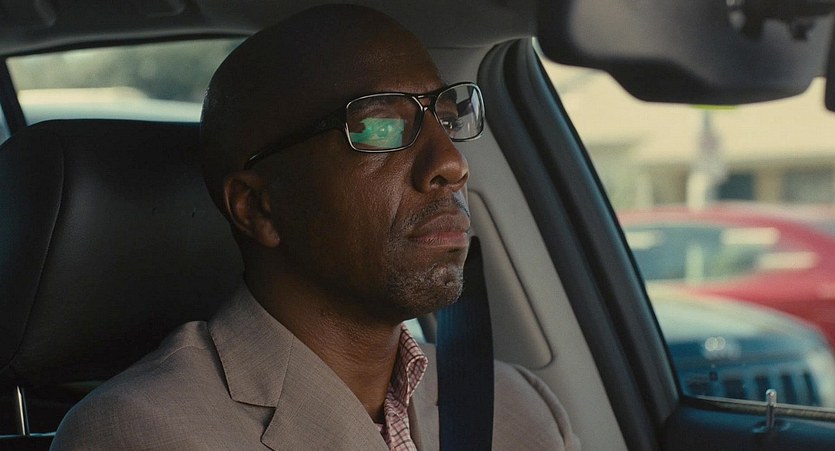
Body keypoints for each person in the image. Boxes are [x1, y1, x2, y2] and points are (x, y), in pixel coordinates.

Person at [51, 5, 579, 450]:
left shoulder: (518, 408)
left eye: (445, 116)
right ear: (258, 208)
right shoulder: (143, 432)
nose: (452, 163)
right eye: (380, 126)